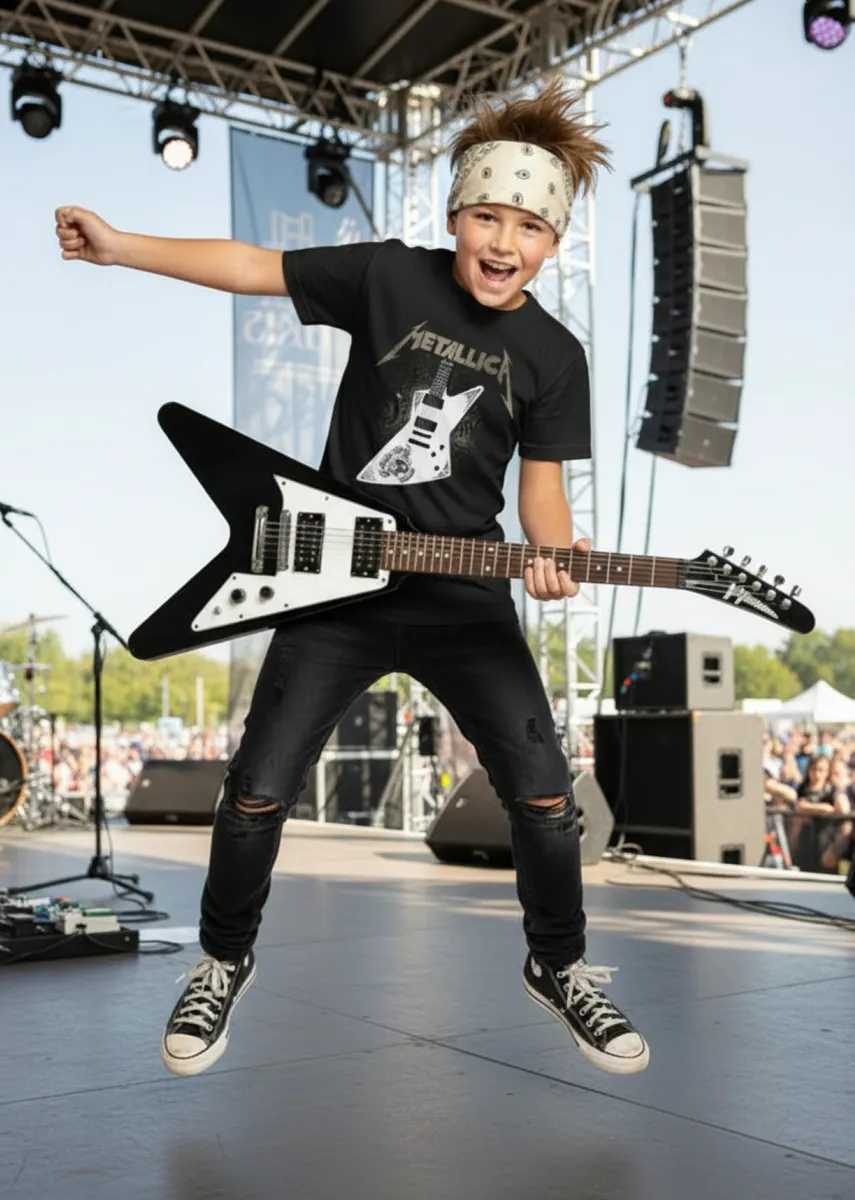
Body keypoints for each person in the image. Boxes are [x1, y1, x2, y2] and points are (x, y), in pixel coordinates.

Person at [55, 78, 649, 1079]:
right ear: (456, 218)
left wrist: (558, 555)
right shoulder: (388, 276)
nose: (504, 242)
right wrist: (123, 247)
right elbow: (253, 264)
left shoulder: (555, 354)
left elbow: (541, 493)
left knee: (547, 795)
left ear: (553, 242)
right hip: (336, 586)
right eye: (487, 218)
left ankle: (559, 965)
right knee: (255, 790)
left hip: (465, 598)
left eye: (530, 228)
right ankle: (221, 958)